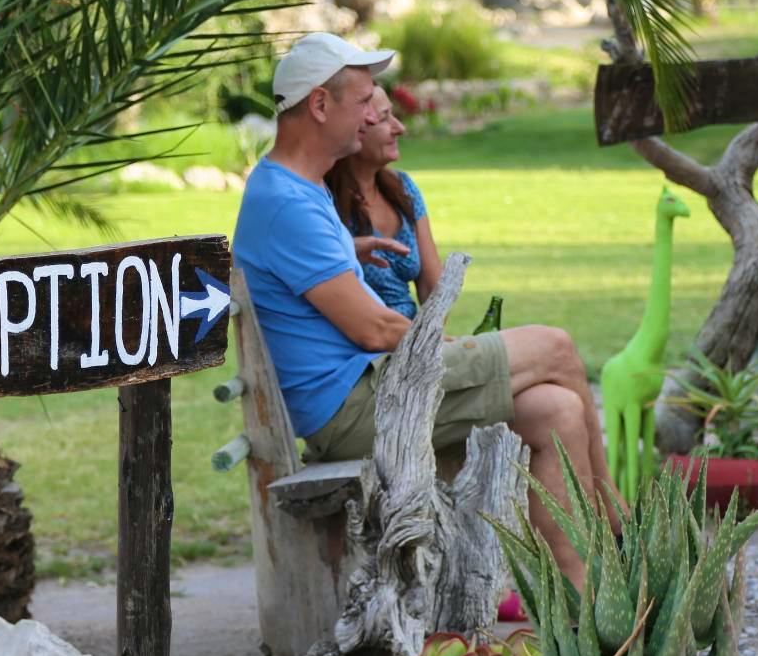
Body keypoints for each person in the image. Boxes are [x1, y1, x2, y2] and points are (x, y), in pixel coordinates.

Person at [232, 33, 617, 586]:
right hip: (355, 407)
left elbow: (309, 277)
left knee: (557, 409)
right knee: (555, 347)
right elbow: (372, 329)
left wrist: (348, 253)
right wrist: (450, 345)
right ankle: (613, 517)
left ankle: (575, 595)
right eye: (362, 102)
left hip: (371, 391)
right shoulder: (287, 201)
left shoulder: (298, 189)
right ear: (319, 105)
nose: (372, 116)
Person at [323, 86, 437, 319]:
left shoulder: (403, 187)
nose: (399, 128)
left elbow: (433, 288)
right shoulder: (323, 200)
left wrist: (426, 337)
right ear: (354, 130)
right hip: (366, 336)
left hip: (413, 333)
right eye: (384, 118)